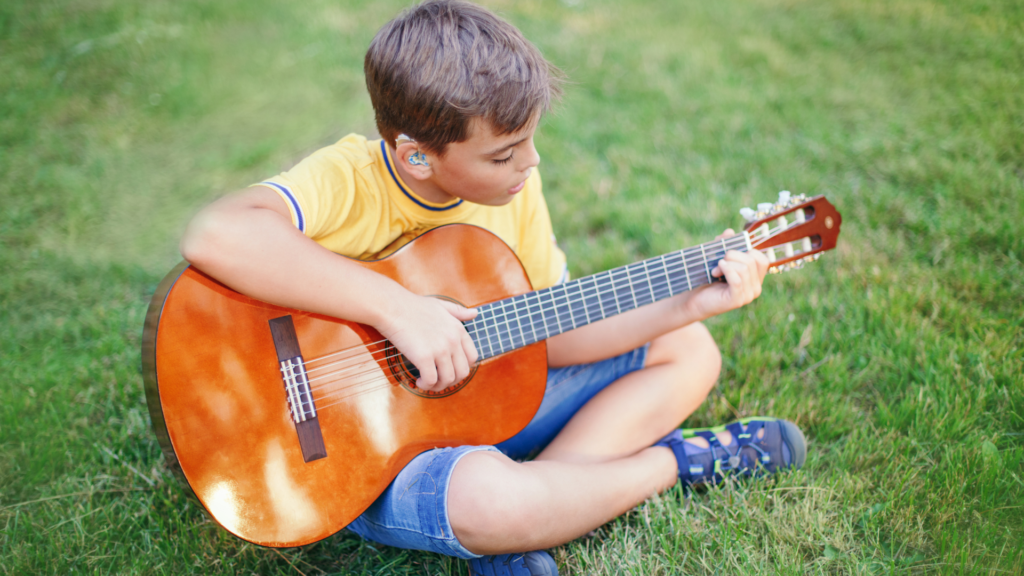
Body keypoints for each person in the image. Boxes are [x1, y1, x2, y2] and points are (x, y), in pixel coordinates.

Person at [179, 1, 806, 574]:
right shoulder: (349, 180)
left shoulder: (515, 191)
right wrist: (398, 309)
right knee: (488, 499)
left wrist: (687, 302)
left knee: (690, 345)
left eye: (531, 140)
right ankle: (670, 465)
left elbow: (555, 337)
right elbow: (217, 233)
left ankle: (539, 510)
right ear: (416, 156)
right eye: (505, 155)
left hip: (478, 409)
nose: (531, 164)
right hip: (351, 457)